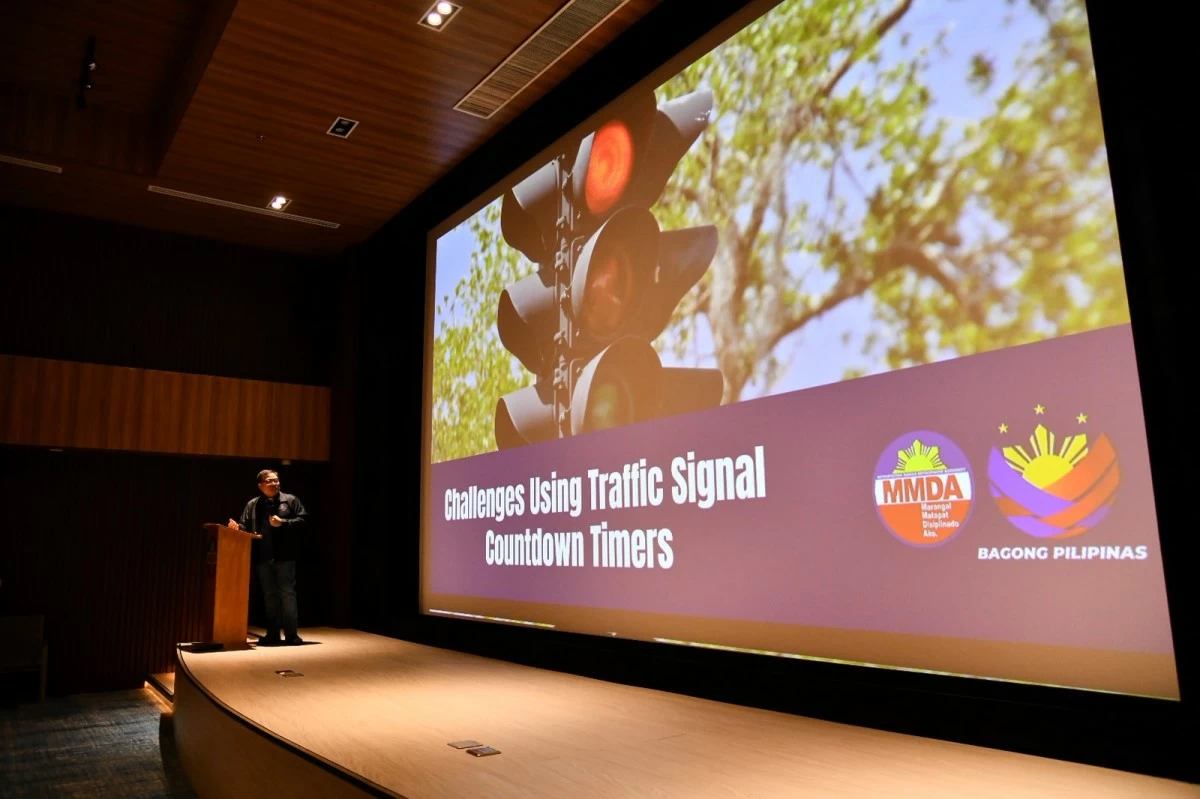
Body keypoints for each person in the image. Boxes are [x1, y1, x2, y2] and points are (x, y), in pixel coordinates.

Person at [228, 469, 307, 646]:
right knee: (269, 596)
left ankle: (292, 635)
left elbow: (303, 521)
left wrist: (283, 523)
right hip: (262, 557)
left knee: (287, 594)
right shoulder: (253, 504)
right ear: (260, 485)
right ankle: (272, 634)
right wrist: (237, 529)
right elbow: (244, 526)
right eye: (269, 481)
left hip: (285, 556)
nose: (274, 484)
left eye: (276, 480)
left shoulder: (290, 500)